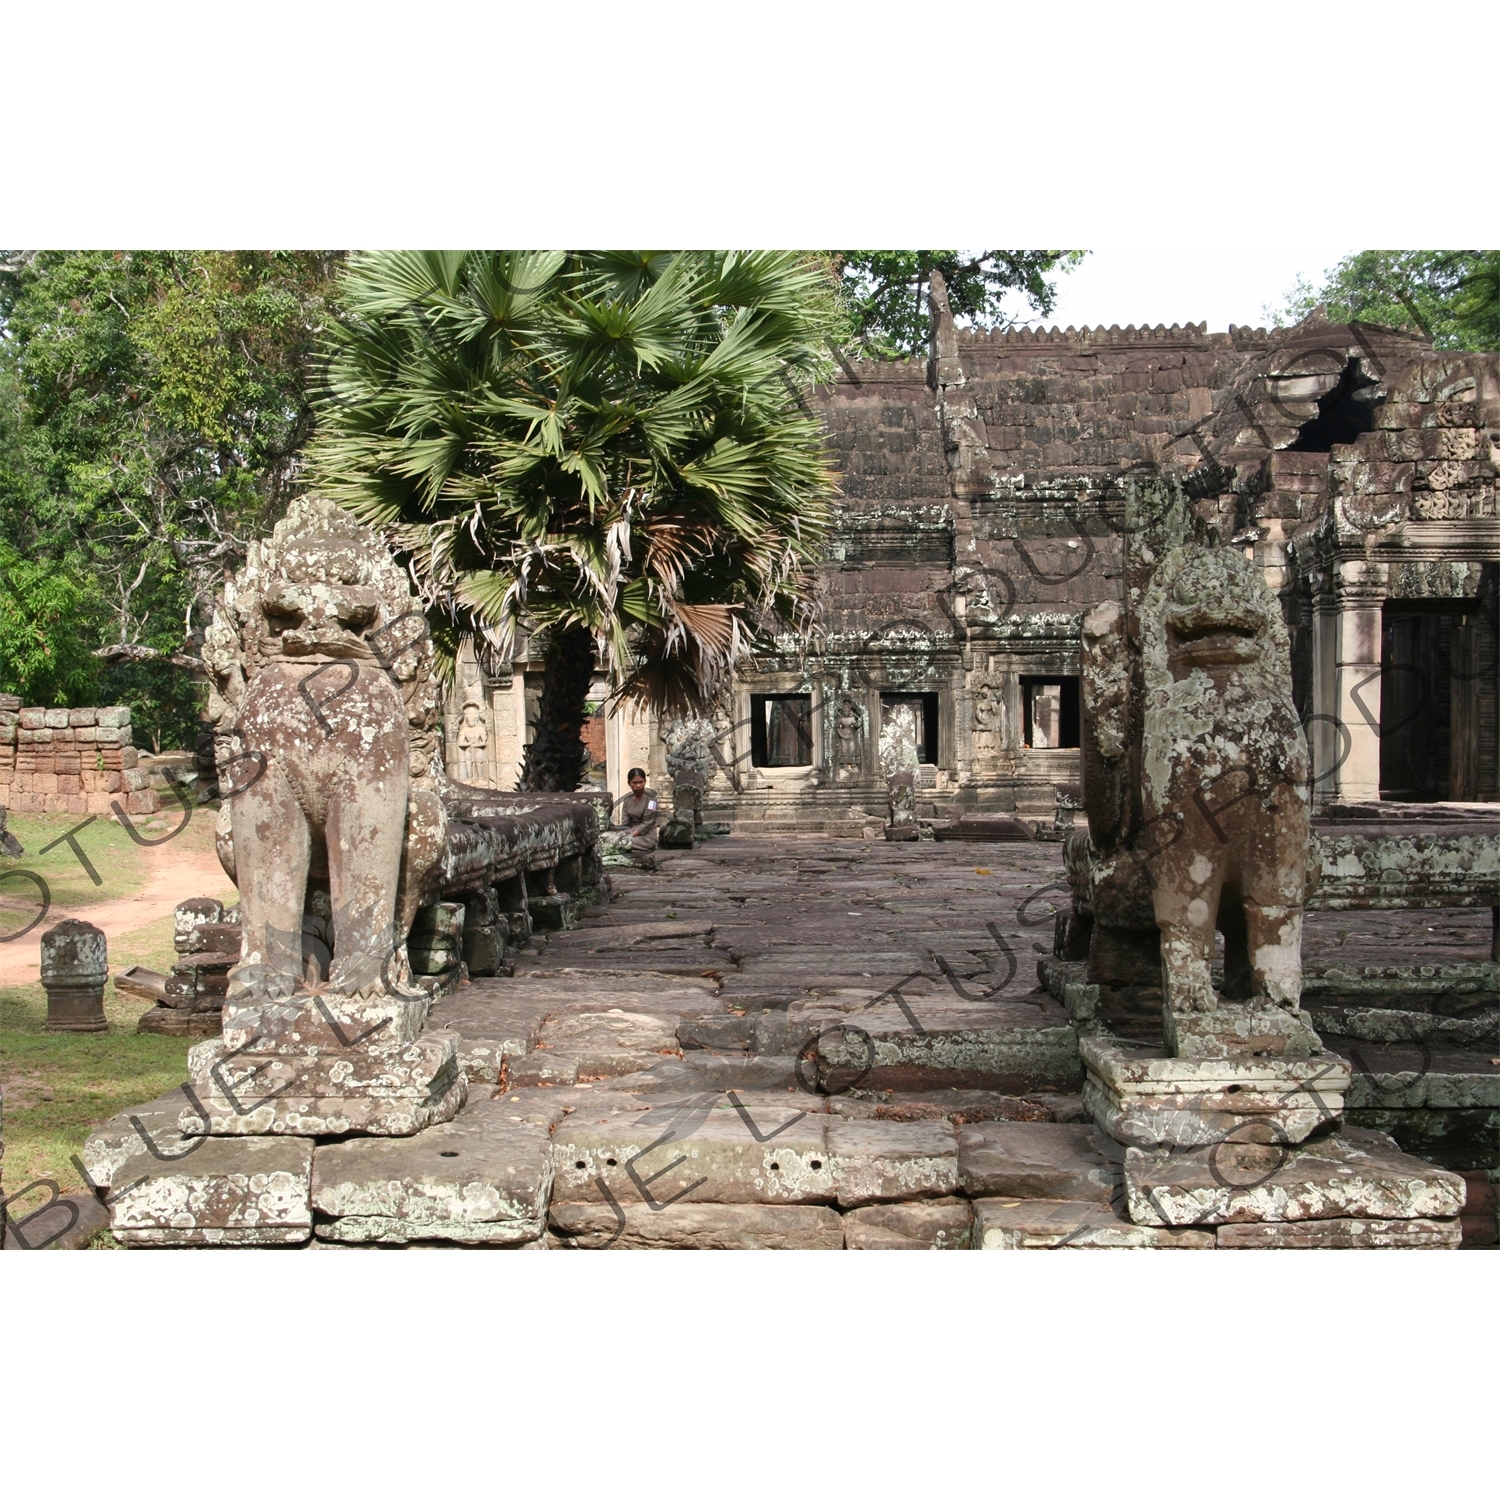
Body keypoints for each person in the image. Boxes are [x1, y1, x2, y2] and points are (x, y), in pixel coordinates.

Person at [605, 766, 660, 860]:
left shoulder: (651, 800)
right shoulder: (627, 800)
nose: (638, 785)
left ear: (645, 782)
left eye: (641, 782)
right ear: (629, 783)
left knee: (622, 843)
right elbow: (625, 823)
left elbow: (647, 823)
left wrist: (630, 836)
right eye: (635, 783)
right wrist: (619, 834)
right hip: (630, 832)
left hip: (646, 837)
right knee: (608, 840)